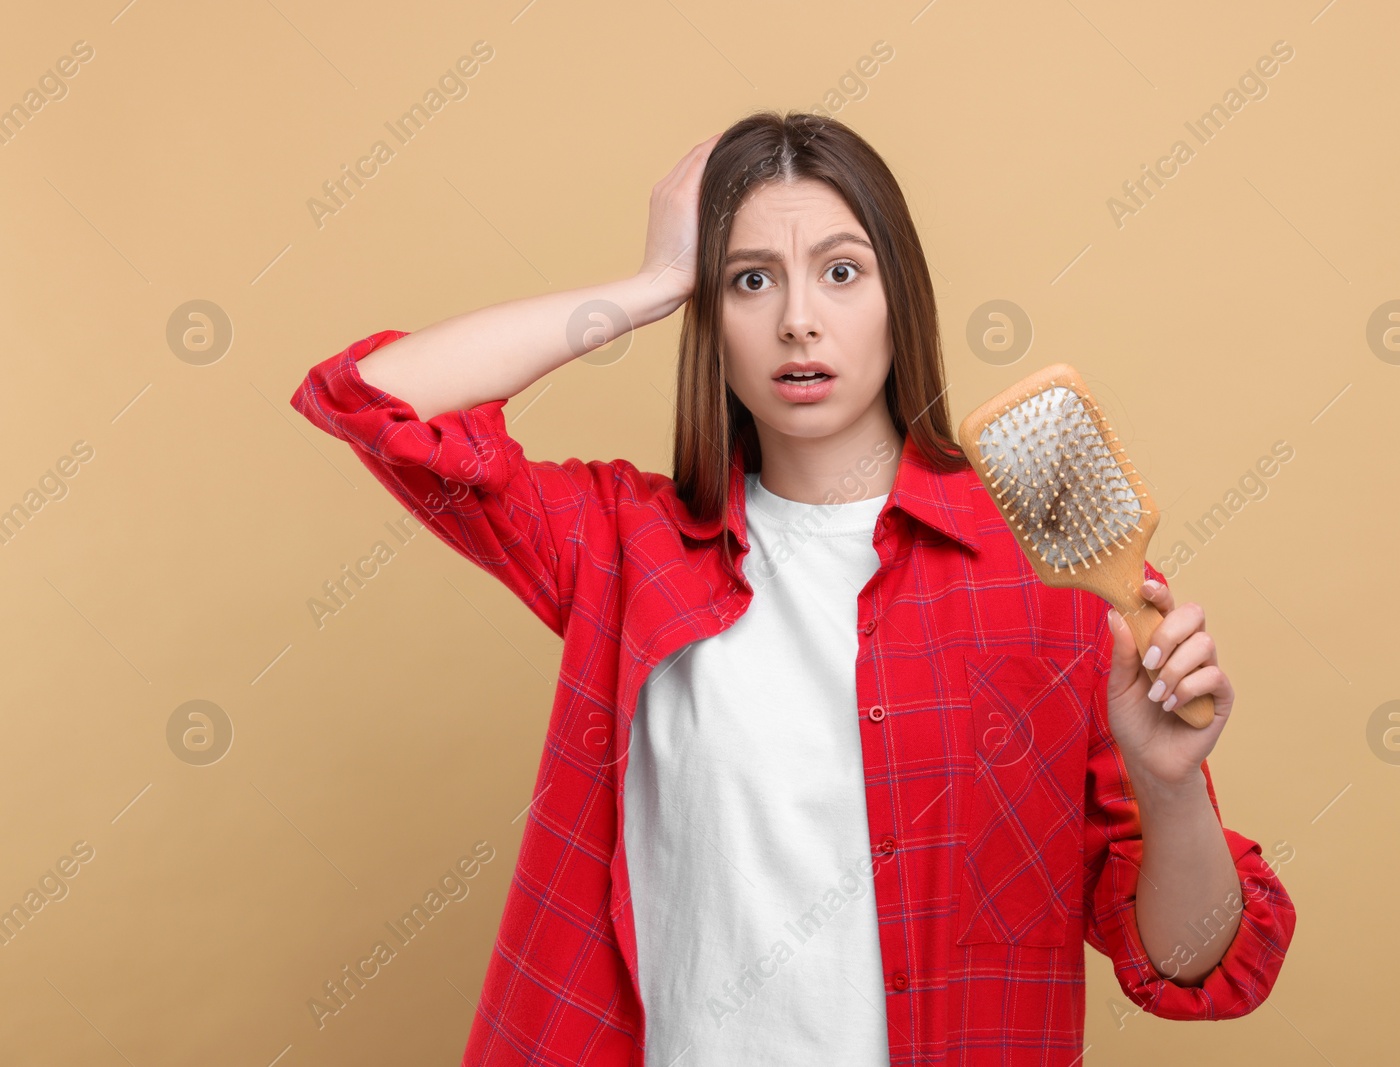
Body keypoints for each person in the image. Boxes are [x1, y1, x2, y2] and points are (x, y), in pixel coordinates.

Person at [290, 110, 1295, 1066]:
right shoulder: (626, 548)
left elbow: (1192, 964)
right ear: (710, 319)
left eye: (842, 272)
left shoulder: (1058, 579)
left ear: (902, 299)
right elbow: (373, 398)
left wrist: (1169, 791)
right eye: (750, 280)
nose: (798, 320)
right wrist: (648, 285)